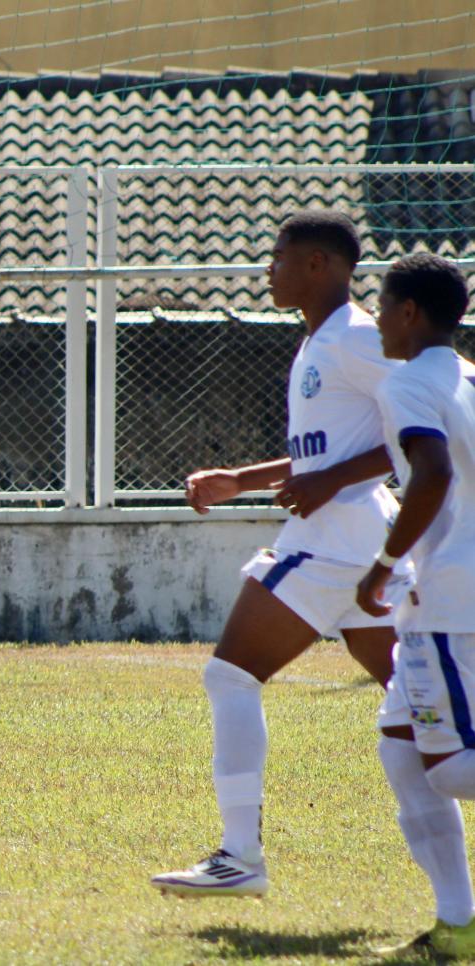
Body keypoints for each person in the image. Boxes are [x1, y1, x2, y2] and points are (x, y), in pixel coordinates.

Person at [152, 210, 413, 897]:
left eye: (279, 256)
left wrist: (333, 481)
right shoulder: (322, 341)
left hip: (335, 536)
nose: (268, 268)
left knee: (231, 676)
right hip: (360, 539)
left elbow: (426, 422)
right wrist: (242, 480)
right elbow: (320, 455)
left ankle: (240, 856)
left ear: (319, 265)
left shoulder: (356, 337)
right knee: (417, 701)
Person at [357, 253, 475, 958]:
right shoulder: (468, 378)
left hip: (448, 598)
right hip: (442, 596)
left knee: (450, 767)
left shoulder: (406, 382)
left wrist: (382, 564)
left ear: (408, 313)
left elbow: (428, 474)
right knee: (401, 752)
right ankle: (458, 926)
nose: (374, 317)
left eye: (381, 302)